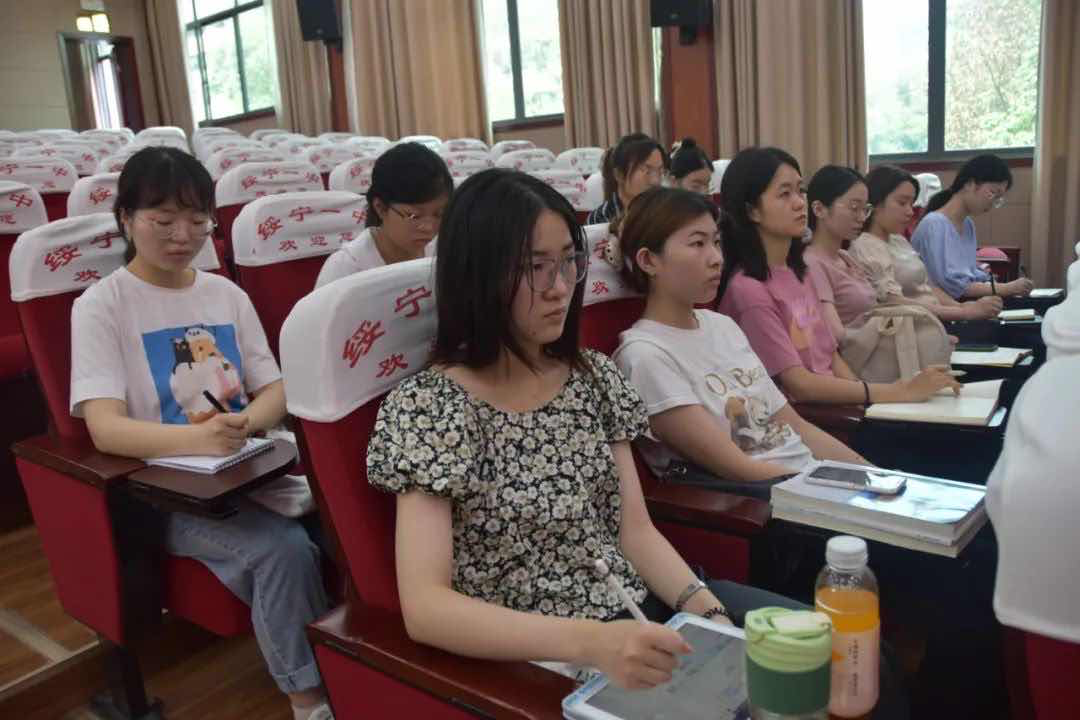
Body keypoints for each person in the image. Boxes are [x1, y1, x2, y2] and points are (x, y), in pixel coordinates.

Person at [367, 168, 805, 688]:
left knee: (827, 656)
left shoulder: (591, 375)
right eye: (535, 267)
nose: (559, 289)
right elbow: (427, 609)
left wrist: (709, 615)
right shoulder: (429, 408)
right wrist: (593, 642)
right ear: (477, 274)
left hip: (641, 610)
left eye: (567, 262)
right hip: (549, 655)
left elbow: (633, 531)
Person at [70, 147, 333, 720]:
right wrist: (201, 440)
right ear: (126, 219)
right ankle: (310, 699)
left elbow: (275, 388)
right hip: (166, 492)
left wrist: (248, 422)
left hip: (245, 465)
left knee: (339, 518)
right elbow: (105, 428)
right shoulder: (101, 306)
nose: (182, 235)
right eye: (163, 220)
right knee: (281, 549)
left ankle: (353, 671)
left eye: (197, 220)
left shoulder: (225, 294)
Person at [609, 186, 867, 493]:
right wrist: (833, 490)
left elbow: (795, 426)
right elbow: (739, 467)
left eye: (716, 242)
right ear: (649, 261)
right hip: (769, 501)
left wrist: (870, 475)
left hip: (806, 478)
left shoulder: (722, 326)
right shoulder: (644, 356)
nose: (716, 258)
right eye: (697, 243)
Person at [714, 147, 958, 405]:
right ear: (752, 210)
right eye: (784, 194)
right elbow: (799, 385)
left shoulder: (798, 272)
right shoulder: (749, 290)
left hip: (839, 402)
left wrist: (868, 402)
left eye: (800, 190)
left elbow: (830, 356)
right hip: (812, 414)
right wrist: (897, 393)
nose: (799, 202)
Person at [806, 166, 951, 382]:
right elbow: (836, 338)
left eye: (865, 209)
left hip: (876, 358)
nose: (861, 217)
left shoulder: (845, 257)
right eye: (854, 208)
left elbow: (875, 309)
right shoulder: (812, 262)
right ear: (819, 209)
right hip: (858, 367)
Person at [850, 165, 1002, 322]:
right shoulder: (866, 246)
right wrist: (963, 313)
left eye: (911, 204)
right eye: (902, 203)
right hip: (914, 325)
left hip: (936, 318)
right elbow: (893, 302)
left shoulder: (898, 240)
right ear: (876, 202)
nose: (910, 212)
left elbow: (927, 287)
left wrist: (960, 306)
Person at [315, 141, 451, 288]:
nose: (429, 228)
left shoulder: (441, 250)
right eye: (414, 216)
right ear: (380, 208)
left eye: (439, 214)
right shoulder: (344, 270)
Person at [911, 154, 1032, 299]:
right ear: (969, 184)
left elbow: (967, 275)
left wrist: (989, 281)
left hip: (961, 304)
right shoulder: (934, 225)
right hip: (938, 307)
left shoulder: (967, 224)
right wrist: (1006, 288)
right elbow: (952, 286)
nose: (993, 202)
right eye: (993, 193)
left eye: (998, 199)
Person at [586, 133, 668, 225]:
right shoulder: (601, 218)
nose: (655, 181)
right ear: (619, 175)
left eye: (660, 171)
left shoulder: (667, 212)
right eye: (646, 170)